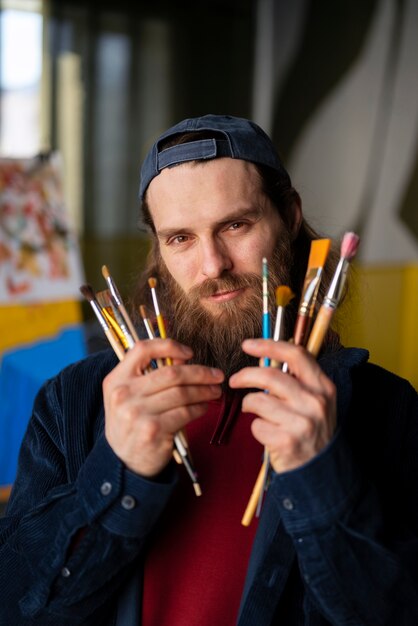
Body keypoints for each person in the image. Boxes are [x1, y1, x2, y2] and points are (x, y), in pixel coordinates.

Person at [1, 114, 417, 626]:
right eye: (181, 238)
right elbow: (16, 606)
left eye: (235, 225)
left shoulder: (387, 408)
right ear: (158, 248)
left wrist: (321, 480)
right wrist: (114, 472)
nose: (213, 265)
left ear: (288, 216)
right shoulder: (75, 401)